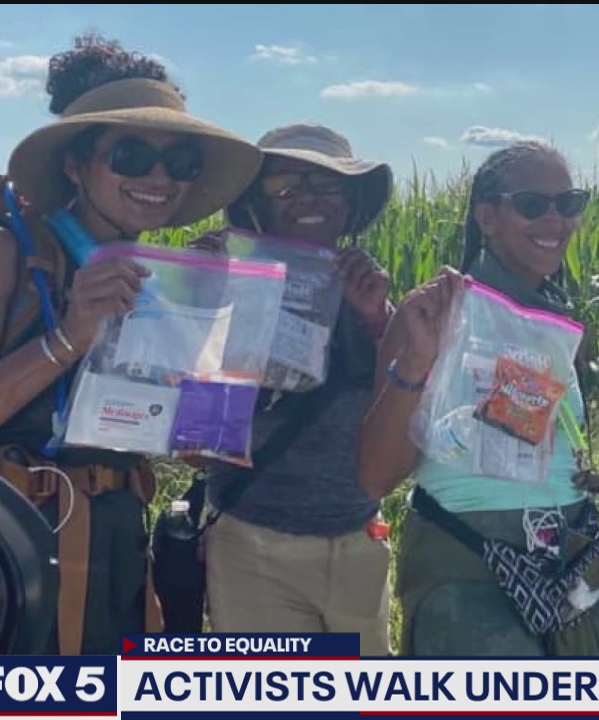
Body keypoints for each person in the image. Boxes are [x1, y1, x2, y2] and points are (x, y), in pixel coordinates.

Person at [0, 33, 262, 655]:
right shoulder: (0, 257)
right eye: (130, 155)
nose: (159, 177)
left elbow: (205, 452)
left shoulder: (157, 284)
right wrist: (67, 340)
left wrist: (214, 351)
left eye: (180, 164)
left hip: (113, 557)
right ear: (75, 164)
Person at [359, 141, 599, 656]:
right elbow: (376, 476)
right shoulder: (437, 315)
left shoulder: (552, 324)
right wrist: (417, 366)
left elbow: (565, 474)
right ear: (486, 217)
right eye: (533, 204)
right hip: (470, 580)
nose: (555, 219)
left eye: (569, 203)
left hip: (571, 578)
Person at [195, 123, 396, 653]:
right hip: (254, 544)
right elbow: (196, 447)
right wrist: (210, 301)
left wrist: (376, 319)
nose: (307, 198)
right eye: (285, 185)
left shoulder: (369, 294)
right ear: (255, 203)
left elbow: (406, 419)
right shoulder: (225, 284)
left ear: (350, 202)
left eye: (327, 185)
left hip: (359, 541)